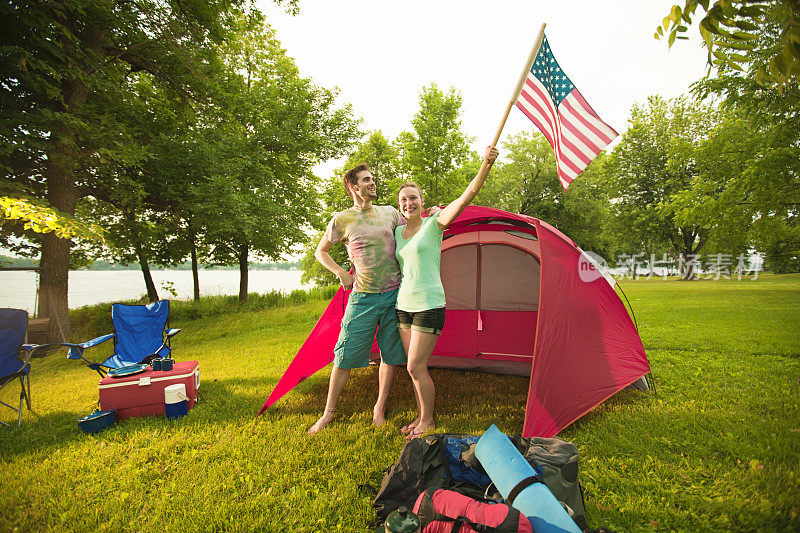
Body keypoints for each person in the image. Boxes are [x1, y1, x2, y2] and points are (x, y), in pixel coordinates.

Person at [395, 145, 500, 439]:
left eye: (413, 198)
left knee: (416, 366)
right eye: (403, 200)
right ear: (399, 205)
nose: (408, 203)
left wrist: (486, 165)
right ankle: (420, 418)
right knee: (412, 368)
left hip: (429, 304)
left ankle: (428, 421)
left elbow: (467, 196)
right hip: (403, 305)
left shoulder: (435, 223)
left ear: (422, 201)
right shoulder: (396, 233)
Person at [307, 163, 408, 435]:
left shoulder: (390, 213)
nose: (372, 183)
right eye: (366, 180)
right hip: (362, 298)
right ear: (353, 187)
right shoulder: (342, 219)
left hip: (394, 296)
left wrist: (431, 212)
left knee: (391, 354)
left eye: (372, 179)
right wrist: (340, 272)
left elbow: (414, 227)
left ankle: (379, 408)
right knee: (344, 357)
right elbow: (321, 252)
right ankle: (329, 413)